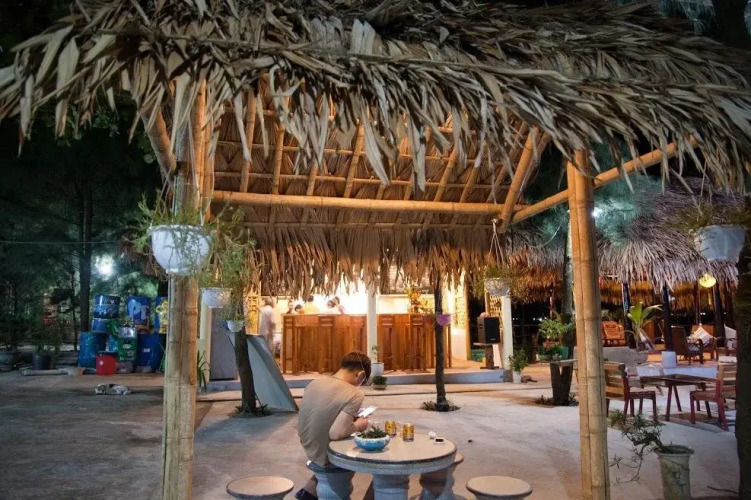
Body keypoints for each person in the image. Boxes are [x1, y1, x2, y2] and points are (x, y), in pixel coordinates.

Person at [296, 352, 371, 500]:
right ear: (360, 374)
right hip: (326, 454)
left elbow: (322, 413)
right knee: (363, 450)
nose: (360, 385)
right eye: (363, 381)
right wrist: (359, 424)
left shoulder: (315, 383)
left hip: (308, 445)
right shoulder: (354, 394)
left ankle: (308, 492)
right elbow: (336, 433)